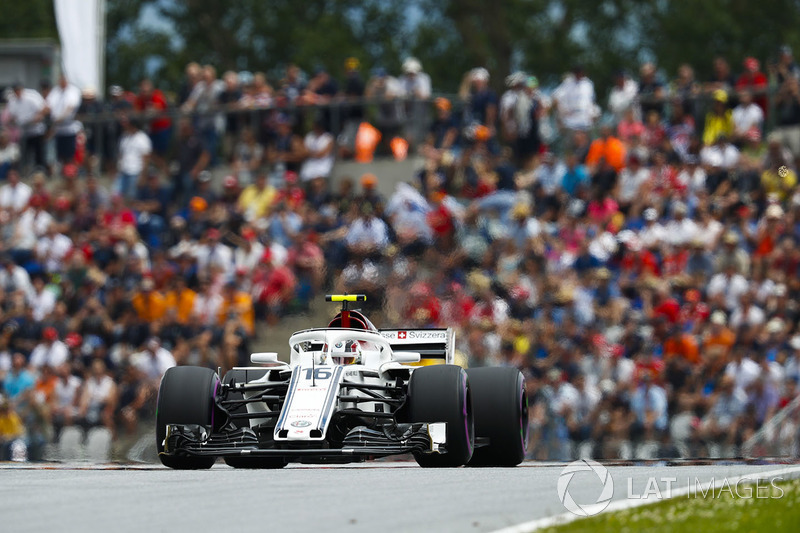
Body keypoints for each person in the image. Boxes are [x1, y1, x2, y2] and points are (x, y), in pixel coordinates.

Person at [5, 81, 48, 170]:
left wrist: (35, 118)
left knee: (39, 154)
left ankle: (40, 171)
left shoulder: (31, 96)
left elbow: (44, 109)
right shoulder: (12, 101)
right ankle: (26, 171)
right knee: (25, 154)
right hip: (24, 131)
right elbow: (12, 117)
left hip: (36, 130)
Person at [46, 75, 82, 165]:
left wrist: (60, 118)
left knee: (70, 154)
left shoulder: (73, 91)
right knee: (59, 155)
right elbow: (48, 104)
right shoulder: (55, 91)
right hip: (57, 129)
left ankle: (70, 172)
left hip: (69, 128)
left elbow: (70, 107)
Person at [115, 116, 152, 198]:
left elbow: (146, 159)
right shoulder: (124, 137)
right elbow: (121, 155)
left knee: (131, 197)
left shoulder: (142, 138)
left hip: (135, 172)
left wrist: (143, 176)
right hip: (123, 172)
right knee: (117, 195)